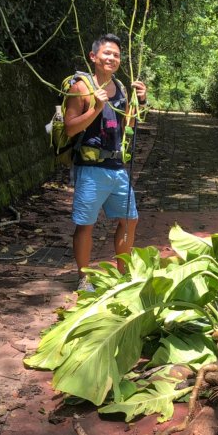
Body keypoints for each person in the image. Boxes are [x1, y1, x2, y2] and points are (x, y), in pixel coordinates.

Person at [63, 33, 147, 292]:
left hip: (117, 166)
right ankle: (83, 278)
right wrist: (96, 108)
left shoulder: (120, 88)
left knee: (129, 219)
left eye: (117, 55)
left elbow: (128, 125)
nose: (112, 58)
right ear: (93, 57)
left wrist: (140, 101)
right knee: (86, 224)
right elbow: (69, 129)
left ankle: (123, 275)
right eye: (107, 53)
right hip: (90, 168)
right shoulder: (80, 87)